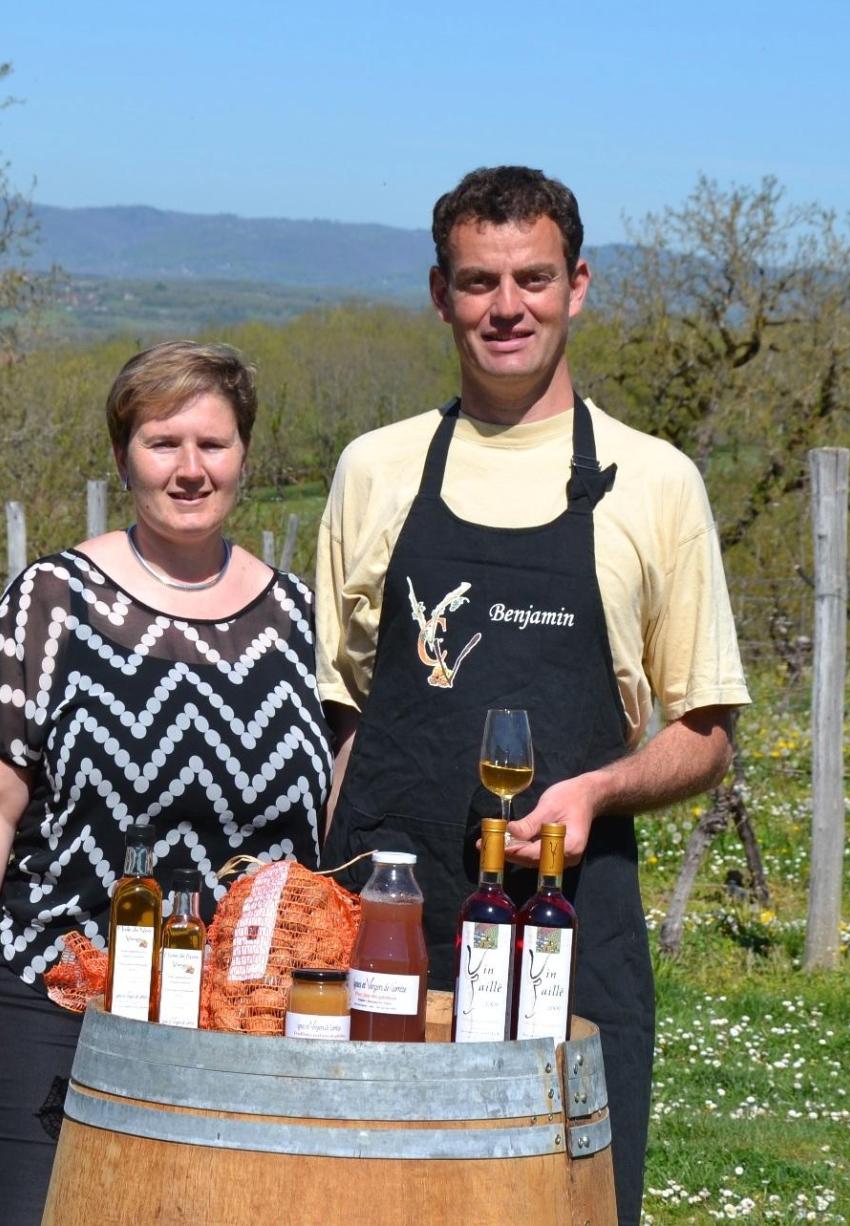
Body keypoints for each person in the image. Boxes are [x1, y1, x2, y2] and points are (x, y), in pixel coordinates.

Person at [316, 166, 750, 1224]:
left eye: (532, 278)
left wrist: (596, 790)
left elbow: (705, 735)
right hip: (392, 937)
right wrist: (321, 915)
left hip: (569, 923)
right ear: (439, 294)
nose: (505, 306)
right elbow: (343, 724)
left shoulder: (654, 481)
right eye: (477, 282)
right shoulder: (375, 470)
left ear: (579, 284)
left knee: (564, 1203)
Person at [0, 341, 333, 1224]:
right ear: (123, 458)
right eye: (163, 443)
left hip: (242, 1027)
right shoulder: (52, 604)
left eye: (213, 445)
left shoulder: (300, 619)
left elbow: (321, 826)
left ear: (245, 457)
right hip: (57, 1000)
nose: (191, 469)